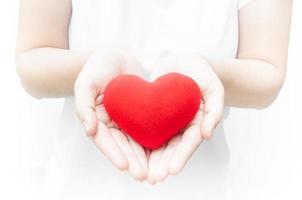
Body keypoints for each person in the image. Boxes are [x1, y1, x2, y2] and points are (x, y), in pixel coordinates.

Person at [15, 0, 292, 199]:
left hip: (204, 188)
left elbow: (267, 70)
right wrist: (93, 70)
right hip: (79, 187)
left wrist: (203, 77)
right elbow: (32, 59)